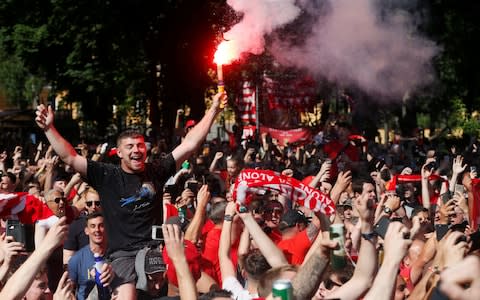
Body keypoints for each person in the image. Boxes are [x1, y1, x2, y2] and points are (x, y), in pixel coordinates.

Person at [35, 91, 227, 299]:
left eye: (140, 145)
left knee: (205, 286)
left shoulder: (157, 170)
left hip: (156, 252)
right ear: (119, 153)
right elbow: (69, 157)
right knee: (126, 295)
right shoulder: (106, 175)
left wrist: (214, 110)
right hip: (122, 257)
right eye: (130, 147)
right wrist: (49, 129)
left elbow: (189, 144)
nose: (137, 150)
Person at [68, 212, 113, 299]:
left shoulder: (117, 255)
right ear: (86, 231)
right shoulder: (76, 259)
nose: (97, 230)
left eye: (101, 225)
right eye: (92, 226)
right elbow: (68, 291)